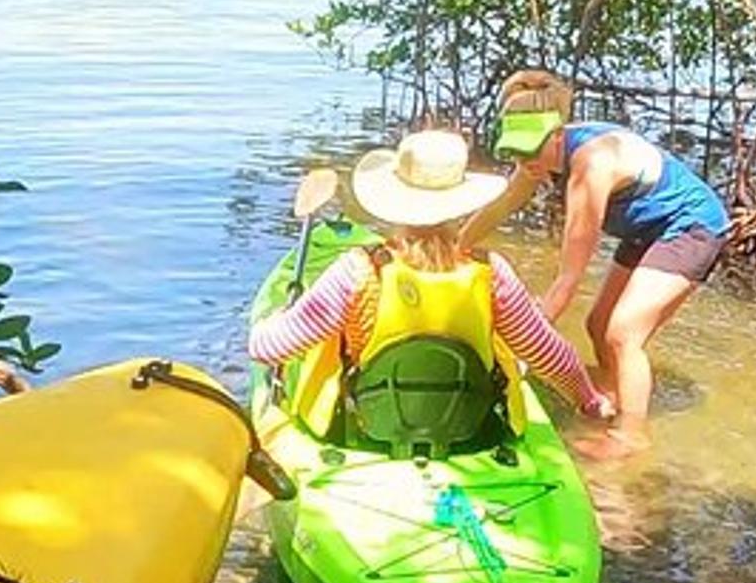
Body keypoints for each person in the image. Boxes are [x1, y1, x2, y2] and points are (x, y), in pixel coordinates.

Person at [251, 130, 615, 454]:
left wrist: (271, 320)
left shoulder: (357, 271)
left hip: (371, 432)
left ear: (394, 202)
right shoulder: (492, 274)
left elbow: (269, 348)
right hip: (469, 434)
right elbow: (551, 356)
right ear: (460, 205)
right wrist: (589, 401)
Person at [463, 70, 730, 454]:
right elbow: (500, 206)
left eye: (530, 149)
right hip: (645, 227)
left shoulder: (591, 167)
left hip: (690, 225)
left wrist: (524, 348)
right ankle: (615, 396)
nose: (524, 161)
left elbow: (568, 280)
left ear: (558, 135)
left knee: (623, 332)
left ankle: (630, 436)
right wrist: (452, 245)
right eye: (514, 150)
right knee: (596, 324)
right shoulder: (536, 157)